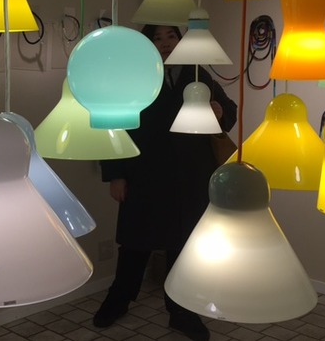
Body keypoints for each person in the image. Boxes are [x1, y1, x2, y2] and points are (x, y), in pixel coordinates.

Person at [93, 25, 237, 340]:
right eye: (156, 38)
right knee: (134, 242)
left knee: (183, 246)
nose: (165, 43)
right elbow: (114, 125)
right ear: (147, 44)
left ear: (181, 40)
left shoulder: (198, 75)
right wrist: (116, 174)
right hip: (143, 173)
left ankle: (182, 312)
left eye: (171, 36)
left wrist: (219, 110)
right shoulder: (136, 76)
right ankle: (119, 299)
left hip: (190, 176)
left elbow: (229, 112)